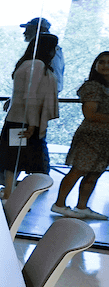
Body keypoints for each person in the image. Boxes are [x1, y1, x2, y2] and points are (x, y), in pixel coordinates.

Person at [0, 34, 59, 188]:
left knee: (14, 157)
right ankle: (12, 193)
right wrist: (32, 124)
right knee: (20, 158)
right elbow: (30, 96)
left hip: (18, 120)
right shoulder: (37, 65)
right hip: (25, 121)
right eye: (54, 47)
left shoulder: (28, 63)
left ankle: (9, 191)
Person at [52, 51, 109, 220]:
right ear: (96, 65)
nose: (105, 65)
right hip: (91, 136)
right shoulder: (92, 86)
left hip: (106, 139)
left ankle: (82, 206)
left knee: (95, 173)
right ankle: (59, 204)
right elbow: (90, 114)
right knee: (78, 170)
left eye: (108, 62)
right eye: (101, 62)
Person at [22, 17, 64, 93]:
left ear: (41, 30)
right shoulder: (38, 50)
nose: (24, 33)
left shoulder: (50, 50)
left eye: (29, 29)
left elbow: (55, 75)